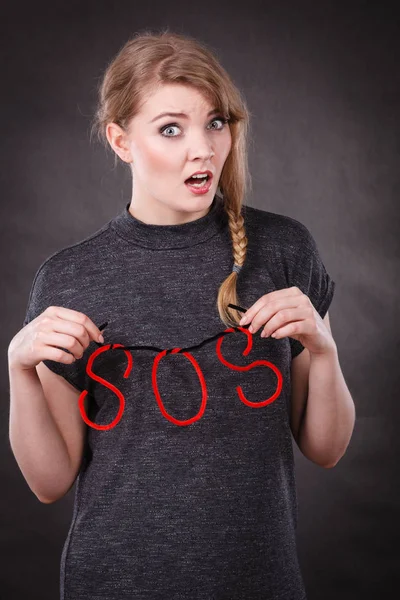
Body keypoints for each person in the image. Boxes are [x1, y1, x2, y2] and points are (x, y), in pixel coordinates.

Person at [8, 28, 337, 599]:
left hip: (259, 582)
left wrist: (324, 351)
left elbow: (326, 448)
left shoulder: (284, 248)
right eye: (170, 129)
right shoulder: (69, 277)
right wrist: (17, 370)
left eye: (216, 122)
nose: (203, 149)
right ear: (121, 140)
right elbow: (50, 482)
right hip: (113, 582)